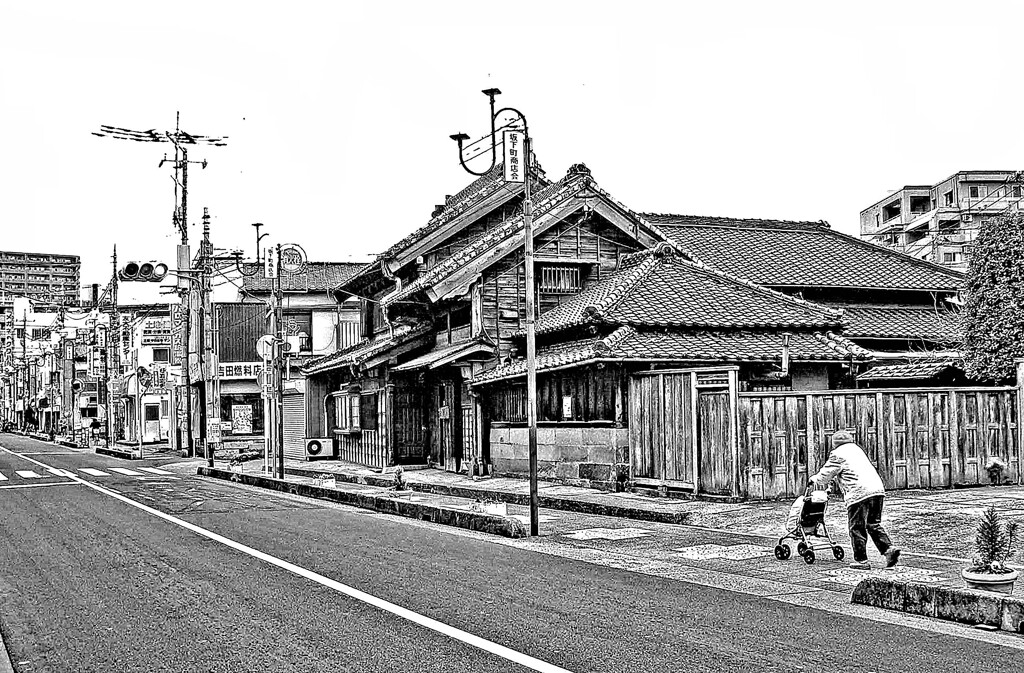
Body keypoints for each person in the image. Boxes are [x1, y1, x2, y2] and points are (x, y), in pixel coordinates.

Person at [809, 430, 900, 570]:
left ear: (835, 444)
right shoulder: (857, 450)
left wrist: (813, 479)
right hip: (877, 490)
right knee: (873, 523)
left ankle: (861, 560)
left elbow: (825, 476)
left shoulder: (837, 454)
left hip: (859, 493)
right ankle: (888, 549)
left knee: (856, 527)